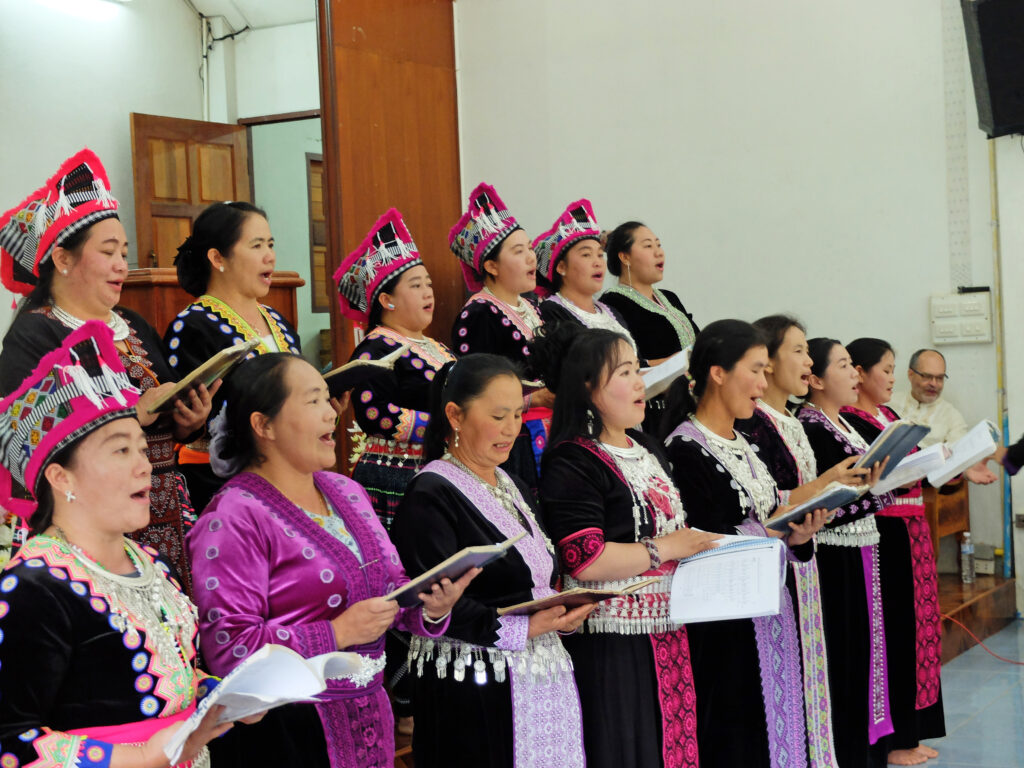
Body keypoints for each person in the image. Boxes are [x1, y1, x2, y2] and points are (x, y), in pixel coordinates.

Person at [188, 352, 472, 768]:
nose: (332, 414)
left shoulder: (346, 491)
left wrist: (431, 606)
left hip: (371, 715)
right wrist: (336, 632)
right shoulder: (233, 516)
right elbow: (229, 649)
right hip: (286, 733)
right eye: (313, 401)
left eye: (328, 399)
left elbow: (390, 587)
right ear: (263, 425)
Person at [0, 322, 239, 768]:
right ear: (61, 477)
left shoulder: (152, 562)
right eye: (120, 451)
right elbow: (10, 740)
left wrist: (222, 695)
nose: (143, 467)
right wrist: (145, 754)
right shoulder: (34, 586)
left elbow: (167, 680)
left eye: (143, 451)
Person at [0, 149, 214, 591]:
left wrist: (188, 422)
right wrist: (134, 416)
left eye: (125, 252)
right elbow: (23, 444)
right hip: (88, 520)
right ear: (62, 259)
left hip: (163, 502)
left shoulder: (133, 324)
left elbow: (163, 417)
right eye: (109, 252)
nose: (122, 265)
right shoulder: (34, 335)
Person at [391, 352, 590, 768]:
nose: (511, 430)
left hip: (537, 673)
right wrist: (521, 628)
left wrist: (562, 610)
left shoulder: (509, 482)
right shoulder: (430, 492)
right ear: (455, 416)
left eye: (518, 415)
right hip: (475, 682)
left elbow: (533, 577)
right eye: (499, 416)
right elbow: (435, 596)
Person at [535, 325, 718, 768]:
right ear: (588, 387)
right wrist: (667, 548)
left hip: (669, 625)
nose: (639, 383)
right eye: (624, 373)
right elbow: (586, 557)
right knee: (627, 747)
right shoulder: (573, 457)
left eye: (638, 371)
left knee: (673, 743)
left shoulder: (647, 446)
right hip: (613, 637)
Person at [661, 319, 832, 768]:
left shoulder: (746, 443)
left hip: (769, 609)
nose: (763, 382)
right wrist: (776, 528)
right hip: (726, 627)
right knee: (738, 735)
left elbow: (770, 517)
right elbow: (702, 539)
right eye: (755, 370)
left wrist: (799, 534)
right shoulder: (684, 449)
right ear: (718, 372)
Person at [737, 315, 879, 767]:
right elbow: (770, 502)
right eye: (796, 351)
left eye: (806, 350)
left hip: (803, 556)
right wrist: (827, 487)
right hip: (778, 564)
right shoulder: (757, 425)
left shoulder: (790, 421)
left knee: (821, 673)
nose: (806, 359)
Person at [334, 207, 455, 732]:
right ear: (385, 299)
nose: (428, 292)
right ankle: (404, 700)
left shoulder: (435, 345)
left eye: (429, 282)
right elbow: (375, 415)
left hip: (436, 467)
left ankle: (441, 680)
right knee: (406, 577)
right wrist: (449, 422)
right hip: (394, 478)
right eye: (415, 284)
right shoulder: (375, 350)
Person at [841, 338, 945, 766]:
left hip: (913, 530)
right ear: (861, 374)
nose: (889, 377)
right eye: (884, 369)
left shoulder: (889, 415)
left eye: (892, 368)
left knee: (921, 628)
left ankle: (915, 729)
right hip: (887, 533)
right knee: (898, 629)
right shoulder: (852, 420)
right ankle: (898, 738)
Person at [163, 201, 301, 513]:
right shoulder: (192, 326)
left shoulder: (279, 321)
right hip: (224, 488)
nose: (270, 256)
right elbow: (188, 420)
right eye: (256, 245)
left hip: (289, 475)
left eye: (270, 244)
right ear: (217, 257)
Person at [797, 338, 895, 767]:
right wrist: (878, 492)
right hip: (835, 555)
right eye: (843, 366)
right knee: (846, 657)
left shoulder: (845, 423)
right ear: (815, 380)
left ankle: (869, 751)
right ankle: (850, 752)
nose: (856, 374)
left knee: (869, 653)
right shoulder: (812, 427)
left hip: (863, 547)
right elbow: (829, 502)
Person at [449, 183, 554, 491]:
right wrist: (536, 397)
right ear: (491, 265)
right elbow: (477, 389)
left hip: (552, 429)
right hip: (515, 440)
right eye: (518, 252)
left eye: (530, 249)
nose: (531, 259)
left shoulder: (534, 307)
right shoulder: (478, 314)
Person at [533, 199, 637, 349]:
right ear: (561, 267)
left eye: (600, 255)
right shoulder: (552, 312)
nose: (598, 262)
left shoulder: (611, 312)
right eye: (586, 255)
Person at [599, 221, 699, 364]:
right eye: (648, 246)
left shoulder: (669, 297)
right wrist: (676, 362)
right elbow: (625, 364)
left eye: (658, 245)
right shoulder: (612, 304)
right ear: (625, 257)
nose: (659, 252)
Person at [891, 348, 996, 483]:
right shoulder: (888, 404)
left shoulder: (952, 417)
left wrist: (965, 472)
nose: (934, 384)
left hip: (926, 490)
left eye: (940, 378)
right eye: (927, 376)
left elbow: (957, 459)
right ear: (911, 374)